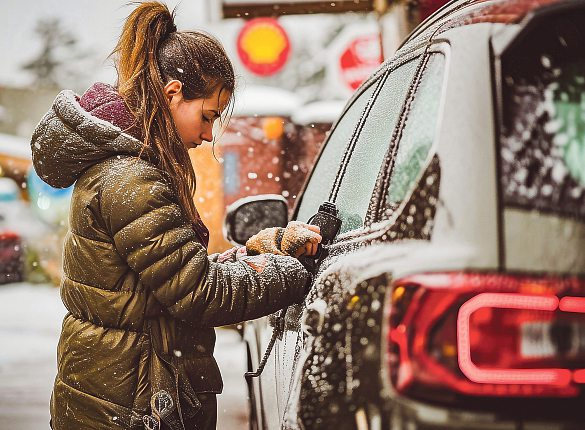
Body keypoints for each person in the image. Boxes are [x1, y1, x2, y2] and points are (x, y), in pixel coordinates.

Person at [30, 2, 321, 429]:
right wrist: (292, 274)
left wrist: (264, 250)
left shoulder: (129, 169)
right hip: (131, 407)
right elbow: (197, 292)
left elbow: (175, 277)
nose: (207, 135)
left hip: (120, 397)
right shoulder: (132, 181)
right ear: (172, 92)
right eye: (207, 116)